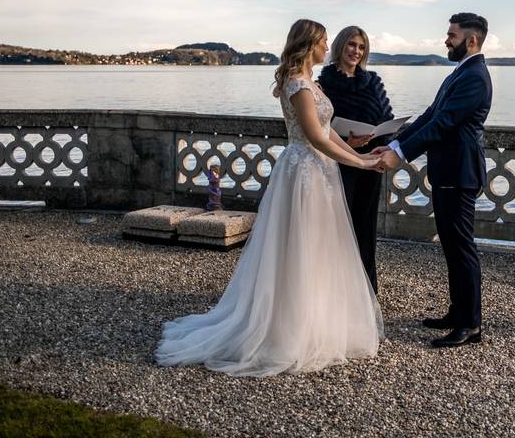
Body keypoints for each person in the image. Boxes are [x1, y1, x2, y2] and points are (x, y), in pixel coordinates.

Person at [156, 19, 384, 377]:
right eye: (324, 42)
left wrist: (363, 155)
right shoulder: (297, 84)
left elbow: (328, 133)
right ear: (311, 45)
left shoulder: (312, 82)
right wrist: (359, 162)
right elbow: (315, 138)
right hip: (304, 172)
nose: (328, 48)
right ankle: (289, 326)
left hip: (320, 172)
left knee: (321, 246)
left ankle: (318, 317)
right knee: (299, 247)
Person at [375, 12, 492, 348]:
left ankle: (470, 324)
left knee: (462, 248)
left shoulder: (475, 77)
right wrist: (395, 142)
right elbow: (431, 115)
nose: (446, 40)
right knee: (452, 247)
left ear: (471, 40)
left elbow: (444, 125)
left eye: (451, 35)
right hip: (448, 171)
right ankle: (458, 313)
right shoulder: (462, 72)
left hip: (459, 172)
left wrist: (400, 155)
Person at [318, 26, 395, 293]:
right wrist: (347, 143)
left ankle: (366, 291)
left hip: (371, 161)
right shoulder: (324, 82)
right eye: (351, 45)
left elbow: (386, 117)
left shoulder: (373, 81)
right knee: (338, 226)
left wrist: (383, 146)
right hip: (338, 162)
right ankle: (336, 292)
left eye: (361, 47)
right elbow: (319, 127)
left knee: (365, 225)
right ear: (340, 46)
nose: (356, 51)